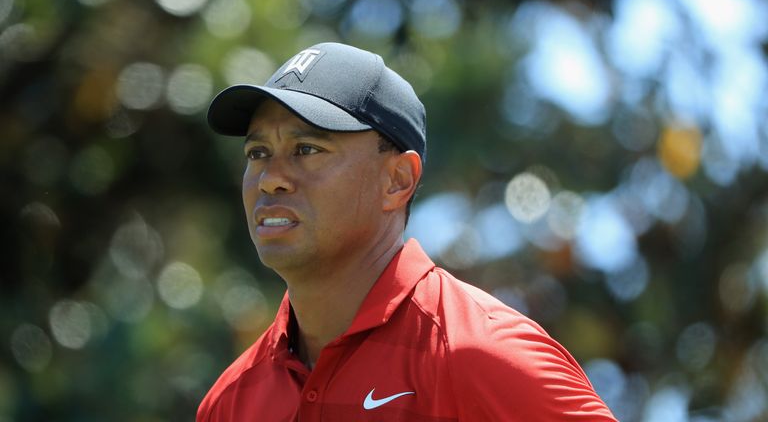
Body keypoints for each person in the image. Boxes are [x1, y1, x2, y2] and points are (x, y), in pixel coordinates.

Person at [197, 42, 617, 421]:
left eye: (307, 149)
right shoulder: (230, 401)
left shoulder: (482, 354)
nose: (270, 179)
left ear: (397, 180)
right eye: (258, 153)